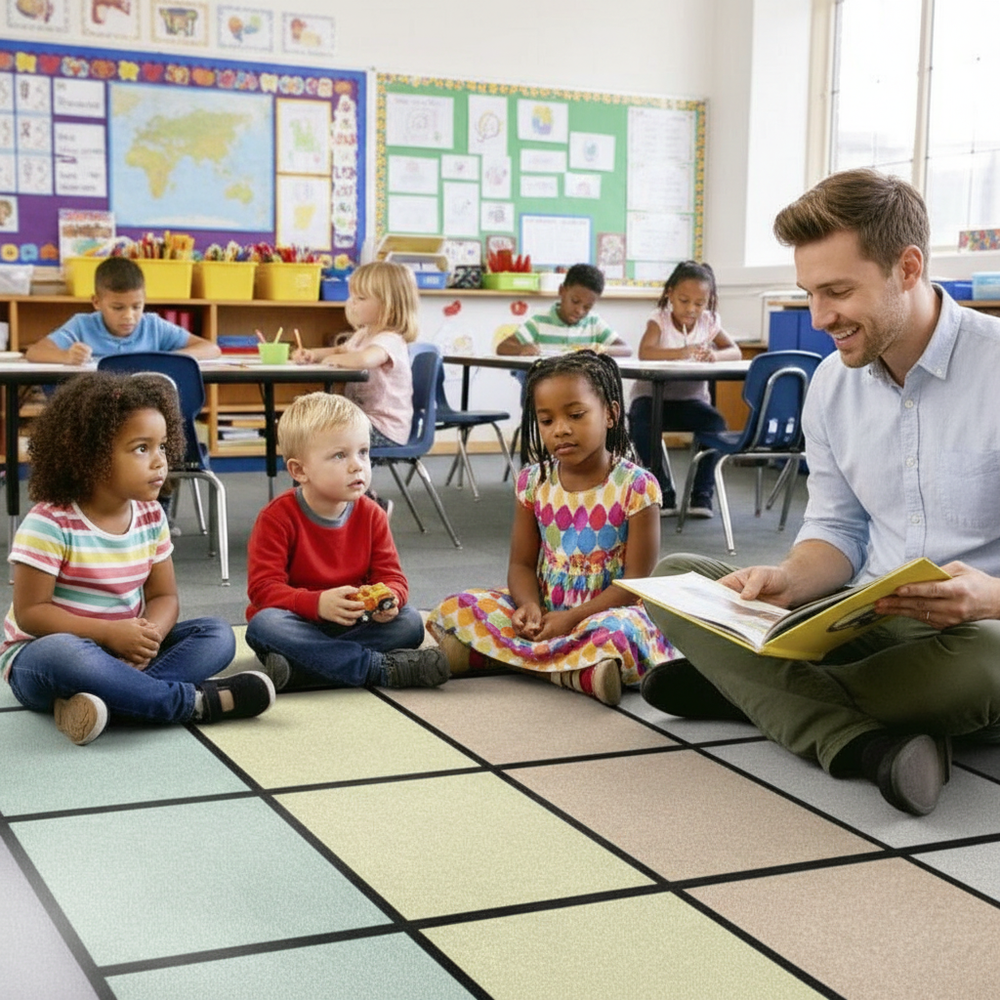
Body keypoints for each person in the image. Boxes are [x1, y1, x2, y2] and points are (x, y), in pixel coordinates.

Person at [640, 168, 1000, 816]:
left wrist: (990, 596)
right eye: (809, 292)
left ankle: (753, 690)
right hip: (867, 619)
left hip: (977, 633)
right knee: (677, 578)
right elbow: (837, 529)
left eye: (837, 291)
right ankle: (861, 736)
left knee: (984, 668)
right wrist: (788, 581)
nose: (820, 317)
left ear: (908, 267)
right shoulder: (833, 385)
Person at [1, 372, 273, 746]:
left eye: (162, 446)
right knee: (64, 653)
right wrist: (109, 633)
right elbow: (32, 613)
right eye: (141, 448)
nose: (160, 461)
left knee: (216, 633)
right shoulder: (49, 522)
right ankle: (192, 703)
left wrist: (151, 636)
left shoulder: (151, 516)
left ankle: (109, 703)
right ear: (90, 456)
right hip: (45, 657)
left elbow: (165, 598)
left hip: (126, 647)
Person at [427, 351, 677, 706]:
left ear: (610, 414)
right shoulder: (533, 481)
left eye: (575, 415)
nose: (560, 428)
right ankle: (574, 671)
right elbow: (521, 565)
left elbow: (636, 583)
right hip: (547, 607)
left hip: (605, 612)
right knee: (460, 606)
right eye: (546, 420)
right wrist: (527, 606)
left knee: (622, 633)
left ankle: (500, 658)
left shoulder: (637, 487)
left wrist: (573, 618)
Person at [244, 391, 449, 691]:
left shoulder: (372, 515)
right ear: (299, 470)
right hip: (299, 621)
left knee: (409, 622)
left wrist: (389, 599)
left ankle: (305, 668)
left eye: (363, 452)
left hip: (356, 622)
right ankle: (379, 669)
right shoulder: (276, 518)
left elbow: (392, 576)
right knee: (265, 625)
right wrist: (317, 604)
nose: (357, 465)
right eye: (340, 455)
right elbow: (263, 590)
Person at [628, 261, 741, 518]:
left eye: (699, 303)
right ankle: (663, 494)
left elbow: (734, 351)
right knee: (643, 425)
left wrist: (714, 357)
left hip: (690, 402)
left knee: (715, 423)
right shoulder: (659, 320)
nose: (691, 309)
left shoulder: (710, 322)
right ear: (670, 295)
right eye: (684, 300)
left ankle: (701, 496)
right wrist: (683, 352)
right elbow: (646, 352)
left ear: (709, 301)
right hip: (651, 400)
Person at [292, 260, 417, 449]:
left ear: (388, 304)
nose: (352, 303)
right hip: (359, 422)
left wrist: (333, 360)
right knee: (309, 430)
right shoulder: (363, 334)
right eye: (352, 297)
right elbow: (339, 350)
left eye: (361, 298)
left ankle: (331, 478)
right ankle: (321, 477)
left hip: (383, 429)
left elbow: (365, 359)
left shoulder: (390, 339)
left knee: (318, 437)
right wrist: (312, 354)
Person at [27, 257, 220, 364]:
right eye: (118, 307)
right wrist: (66, 356)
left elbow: (211, 348)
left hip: (143, 411)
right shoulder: (82, 325)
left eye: (137, 307)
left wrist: (169, 358)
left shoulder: (152, 325)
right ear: (96, 302)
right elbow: (35, 352)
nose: (129, 316)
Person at [495, 263, 631, 358]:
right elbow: (502, 347)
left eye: (587, 307)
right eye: (575, 301)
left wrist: (602, 350)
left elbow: (626, 349)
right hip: (547, 386)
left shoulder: (594, 323)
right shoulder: (540, 321)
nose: (579, 311)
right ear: (562, 291)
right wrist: (522, 349)